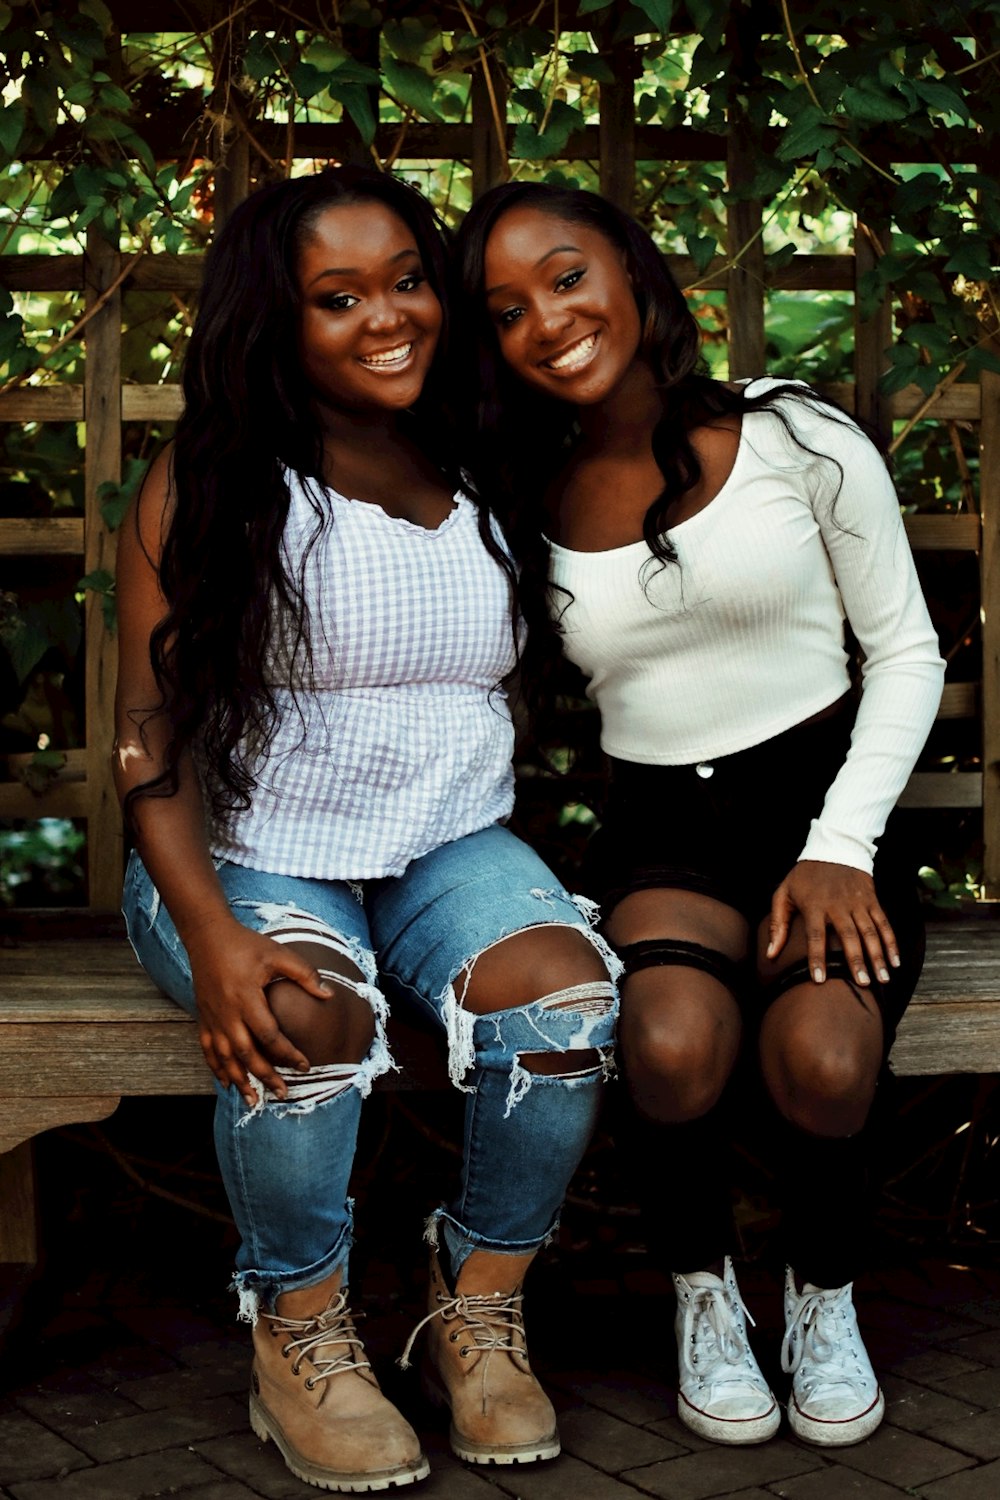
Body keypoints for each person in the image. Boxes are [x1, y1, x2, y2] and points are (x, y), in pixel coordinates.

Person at [113, 166, 620, 1493]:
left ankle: (479, 1306)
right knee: (310, 1012)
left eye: (405, 280)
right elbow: (147, 741)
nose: (388, 316)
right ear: (274, 322)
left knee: (563, 1003)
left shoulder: (477, 452)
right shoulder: (214, 482)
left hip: (444, 842)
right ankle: (301, 1332)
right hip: (241, 851)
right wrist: (217, 939)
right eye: (338, 298)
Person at [454, 182, 945, 1449]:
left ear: (629, 268)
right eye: (505, 309)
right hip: (663, 830)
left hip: (826, 817)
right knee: (668, 1046)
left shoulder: (796, 436)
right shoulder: (521, 498)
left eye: (566, 277)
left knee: (823, 1061)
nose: (548, 321)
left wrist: (840, 849)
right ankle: (704, 1296)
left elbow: (905, 652)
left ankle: (822, 1299)